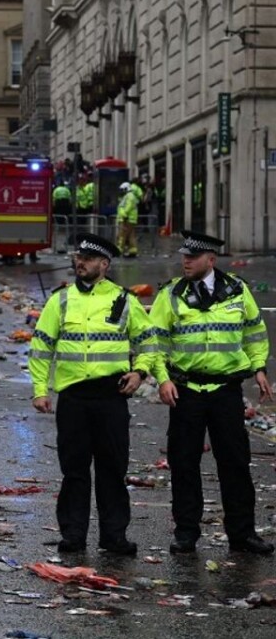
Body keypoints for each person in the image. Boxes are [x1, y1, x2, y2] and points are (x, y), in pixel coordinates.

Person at [28, 233, 161, 556]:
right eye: (78, 258)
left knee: (112, 470)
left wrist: (140, 371)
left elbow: (149, 343)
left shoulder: (124, 300)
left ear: (104, 264)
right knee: (74, 471)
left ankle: (113, 536)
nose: (80, 263)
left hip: (110, 397)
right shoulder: (60, 300)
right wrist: (39, 390)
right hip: (73, 398)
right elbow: (41, 346)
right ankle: (73, 535)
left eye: (87, 259)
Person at [149, 231, 274, 556]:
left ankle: (242, 534)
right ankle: (186, 534)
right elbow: (155, 342)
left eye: (192, 257)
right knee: (184, 463)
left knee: (234, 463)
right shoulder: (171, 294)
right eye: (183, 256)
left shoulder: (237, 290)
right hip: (186, 390)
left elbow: (255, 333)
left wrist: (259, 368)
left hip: (225, 391)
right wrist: (162, 379)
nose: (185, 261)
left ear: (211, 260)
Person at [116, 182, 139, 258]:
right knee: (131, 236)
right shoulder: (129, 196)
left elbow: (128, 207)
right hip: (130, 219)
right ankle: (133, 250)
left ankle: (119, 250)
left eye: (122, 190)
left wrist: (124, 215)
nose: (122, 191)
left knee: (122, 235)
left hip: (127, 219)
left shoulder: (129, 196)